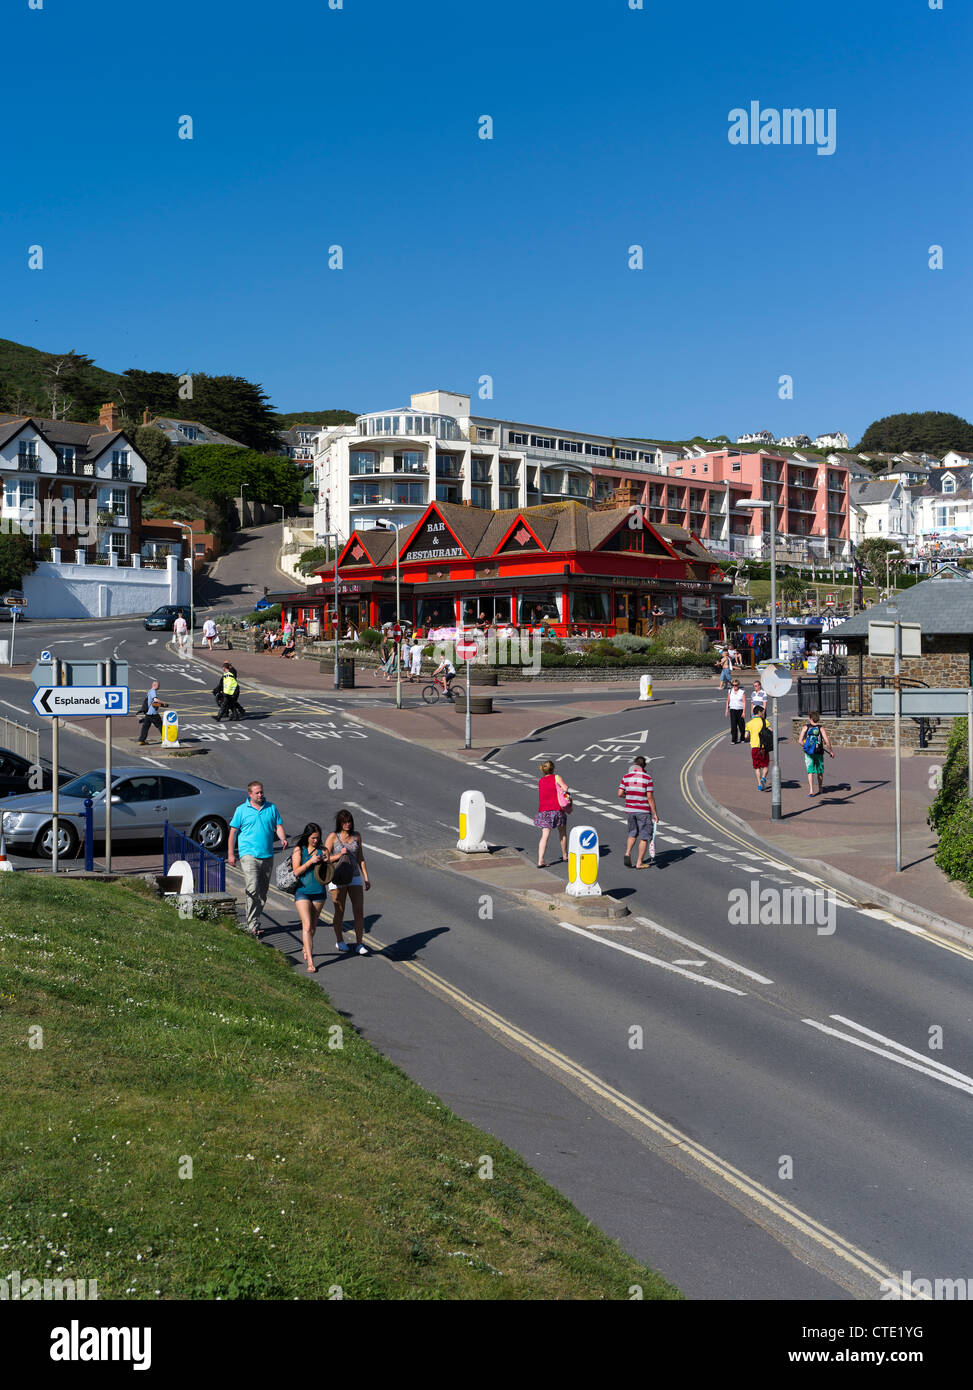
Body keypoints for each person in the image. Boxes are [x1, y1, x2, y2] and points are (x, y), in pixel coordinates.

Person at [228, 781, 287, 937]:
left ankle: (255, 919)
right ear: (250, 794)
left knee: (262, 892)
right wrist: (230, 854)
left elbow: (278, 826)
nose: (260, 795)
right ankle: (252, 925)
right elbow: (233, 832)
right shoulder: (241, 810)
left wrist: (282, 838)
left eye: (261, 792)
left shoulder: (271, 808)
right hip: (248, 855)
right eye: (257, 793)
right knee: (253, 887)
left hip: (267, 855)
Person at [324, 809, 371, 955]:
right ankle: (339, 940)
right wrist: (339, 854)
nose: (348, 824)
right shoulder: (333, 837)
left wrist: (366, 877)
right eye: (344, 822)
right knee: (340, 910)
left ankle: (359, 944)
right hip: (337, 877)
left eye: (349, 821)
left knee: (358, 910)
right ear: (340, 822)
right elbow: (324, 858)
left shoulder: (357, 836)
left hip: (354, 876)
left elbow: (360, 858)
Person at [291, 822, 329, 972]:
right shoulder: (299, 850)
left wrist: (326, 861)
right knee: (306, 926)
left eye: (318, 838)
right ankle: (311, 963)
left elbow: (328, 873)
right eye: (313, 838)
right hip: (302, 891)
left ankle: (306, 946)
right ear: (307, 837)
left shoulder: (323, 850)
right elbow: (296, 872)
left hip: (319, 892)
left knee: (313, 927)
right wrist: (310, 861)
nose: (315, 840)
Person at [618, 754, 659, 867]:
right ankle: (639, 862)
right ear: (644, 766)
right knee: (644, 836)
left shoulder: (626, 777)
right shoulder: (647, 778)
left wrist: (629, 796)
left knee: (632, 833)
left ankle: (627, 852)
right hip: (643, 811)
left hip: (630, 810)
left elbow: (620, 793)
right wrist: (655, 813)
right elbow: (649, 797)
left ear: (634, 765)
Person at [534, 759, 569, 868]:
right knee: (562, 832)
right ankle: (564, 855)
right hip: (557, 810)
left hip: (544, 811)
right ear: (553, 769)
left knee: (544, 836)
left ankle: (540, 860)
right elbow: (565, 788)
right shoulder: (556, 777)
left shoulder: (541, 781)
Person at [798, 710, 834, 797]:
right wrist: (831, 751)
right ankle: (820, 788)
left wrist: (806, 746)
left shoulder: (805, 727)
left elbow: (799, 741)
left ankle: (811, 790)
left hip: (809, 753)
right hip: (819, 752)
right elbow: (827, 741)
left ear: (810, 719)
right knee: (819, 771)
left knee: (810, 771)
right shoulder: (820, 728)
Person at [744, 704, 773, 791]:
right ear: (759, 712)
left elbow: (746, 736)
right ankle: (763, 778)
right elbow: (771, 730)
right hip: (764, 747)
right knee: (766, 765)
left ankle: (759, 785)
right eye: (763, 712)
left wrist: (751, 736)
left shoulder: (749, 724)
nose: (763, 714)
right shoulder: (765, 721)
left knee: (756, 767)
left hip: (754, 747)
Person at [136, 680, 167, 745]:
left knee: (145, 727)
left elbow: (152, 704)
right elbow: (155, 700)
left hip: (148, 713)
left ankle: (141, 740)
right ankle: (166, 739)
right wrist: (163, 703)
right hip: (153, 713)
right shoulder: (153, 691)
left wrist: (161, 706)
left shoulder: (149, 691)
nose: (159, 687)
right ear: (155, 685)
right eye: (159, 685)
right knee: (161, 726)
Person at [726, 677, 747, 745]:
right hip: (732, 710)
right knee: (733, 726)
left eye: (736, 685)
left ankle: (742, 738)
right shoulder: (730, 691)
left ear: (738, 685)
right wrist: (726, 710)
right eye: (733, 685)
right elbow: (728, 700)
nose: (734, 686)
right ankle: (734, 739)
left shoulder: (742, 692)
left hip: (740, 710)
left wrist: (744, 712)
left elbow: (744, 702)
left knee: (741, 725)